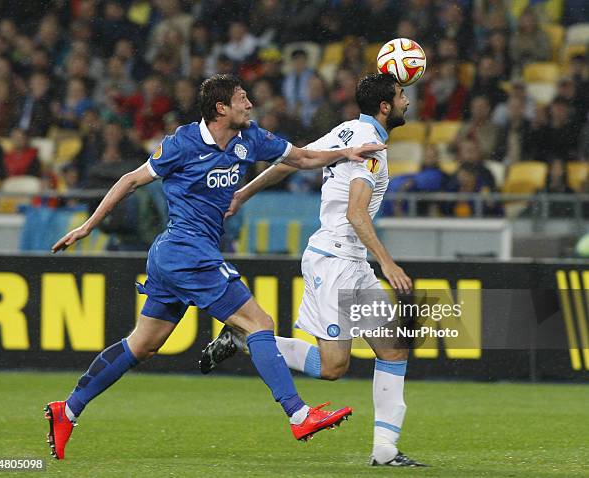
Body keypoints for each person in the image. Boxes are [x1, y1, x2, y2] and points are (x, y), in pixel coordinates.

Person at [44, 74, 384, 460]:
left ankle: (67, 409)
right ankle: (299, 414)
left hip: (179, 256)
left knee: (143, 345)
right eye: (243, 99)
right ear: (222, 108)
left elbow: (303, 157)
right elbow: (131, 179)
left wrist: (345, 153)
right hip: (186, 252)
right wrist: (88, 225)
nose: (250, 105)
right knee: (259, 323)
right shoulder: (182, 143)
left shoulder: (250, 138)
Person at [200, 73, 426, 467]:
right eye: (401, 95)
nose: (407, 101)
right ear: (385, 107)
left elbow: (292, 160)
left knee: (393, 348)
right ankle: (244, 338)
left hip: (349, 262)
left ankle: (385, 451)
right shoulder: (371, 149)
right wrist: (388, 263)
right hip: (336, 262)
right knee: (333, 366)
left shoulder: (346, 131)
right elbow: (357, 214)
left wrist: (244, 192)